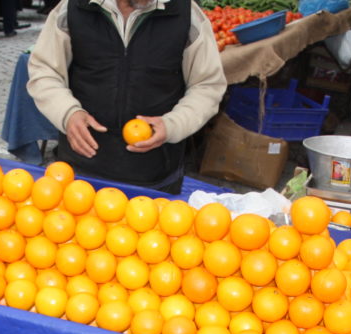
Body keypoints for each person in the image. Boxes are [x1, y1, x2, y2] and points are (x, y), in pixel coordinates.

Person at [26, 0, 227, 194]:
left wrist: (173, 125)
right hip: (79, 175)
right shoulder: (72, 8)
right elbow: (45, 71)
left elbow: (207, 85)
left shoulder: (187, 14)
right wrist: (68, 113)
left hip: (154, 177)